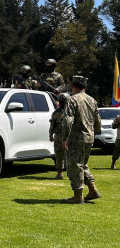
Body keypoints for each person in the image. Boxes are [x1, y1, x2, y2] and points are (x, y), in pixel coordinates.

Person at [61, 76, 101, 204]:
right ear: (85, 87)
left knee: (74, 165)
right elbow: (98, 122)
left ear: (72, 85)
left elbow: (68, 120)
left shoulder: (72, 100)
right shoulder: (92, 100)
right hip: (89, 137)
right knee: (82, 164)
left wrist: (64, 137)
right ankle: (92, 190)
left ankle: (78, 195)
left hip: (76, 138)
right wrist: (93, 132)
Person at [49, 93, 70, 179]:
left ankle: (72, 174)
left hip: (70, 136)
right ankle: (60, 173)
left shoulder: (72, 111)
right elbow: (52, 124)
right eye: (61, 100)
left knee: (71, 156)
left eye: (63, 101)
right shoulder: (56, 112)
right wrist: (50, 135)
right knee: (58, 155)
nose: (62, 102)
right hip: (59, 136)